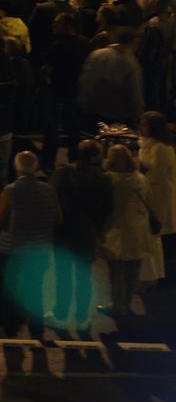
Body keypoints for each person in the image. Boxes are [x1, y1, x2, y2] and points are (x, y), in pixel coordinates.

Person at [0, 150, 60, 336]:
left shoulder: (11, 191)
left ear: (17, 168)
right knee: (36, 288)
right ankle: (36, 330)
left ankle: (9, 327)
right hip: (40, 248)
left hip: (13, 249)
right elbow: (57, 218)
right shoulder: (48, 190)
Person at [51, 140, 113, 332]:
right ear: (95, 157)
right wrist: (98, 229)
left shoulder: (62, 174)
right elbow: (107, 208)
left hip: (63, 231)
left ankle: (60, 314)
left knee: (63, 276)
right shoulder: (102, 179)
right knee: (83, 276)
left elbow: (52, 200)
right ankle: (81, 316)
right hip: (86, 233)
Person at [103, 144, 157, 318]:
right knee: (133, 269)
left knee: (116, 271)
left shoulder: (110, 179)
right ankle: (126, 303)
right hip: (139, 229)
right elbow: (149, 200)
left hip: (117, 229)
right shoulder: (140, 178)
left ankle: (118, 305)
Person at [138, 111, 175, 283]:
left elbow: (157, 174)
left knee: (161, 232)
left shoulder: (160, 148)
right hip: (152, 193)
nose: (141, 127)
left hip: (161, 195)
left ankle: (165, 275)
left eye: (145, 125)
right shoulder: (147, 145)